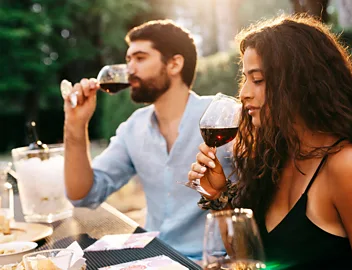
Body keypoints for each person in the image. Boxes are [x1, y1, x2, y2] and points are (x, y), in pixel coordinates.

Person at [188, 14, 352, 269]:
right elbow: (251, 259)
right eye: (246, 79)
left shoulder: (350, 165)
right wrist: (218, 196)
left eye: (258, 80)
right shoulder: (274, 157)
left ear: (299, 83)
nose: (243, 93)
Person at [63, 20, 233, 260]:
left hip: (215, 262)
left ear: (174, 64)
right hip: (155, 258)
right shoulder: (134, 127)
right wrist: (75, 125)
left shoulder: (220, 120)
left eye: (140, 58)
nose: (129, 68)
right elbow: (83, 194)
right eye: (129, 59)